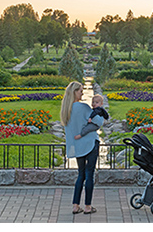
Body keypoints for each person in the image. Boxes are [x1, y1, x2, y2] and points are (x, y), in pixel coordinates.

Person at [60, 81, 104, 215]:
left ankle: (75, 206)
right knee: (89, 175)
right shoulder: (83, 107)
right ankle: (88, 207)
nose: (82, 92)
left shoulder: (66, 111)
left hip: (78, 147)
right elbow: (99, 122)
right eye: (80, 90)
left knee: (81, 175)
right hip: (90, 144)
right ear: (74, 92)